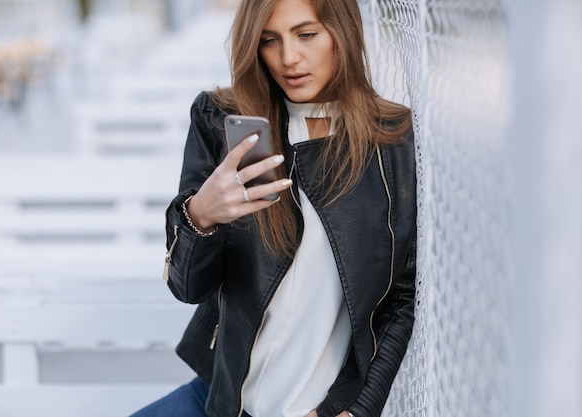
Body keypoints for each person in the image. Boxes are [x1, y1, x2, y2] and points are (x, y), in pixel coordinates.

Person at [130, 0, 416, 416]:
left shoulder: (391, 143)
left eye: (306, 34)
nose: (288, 58)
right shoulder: (222, 120)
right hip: (218, 399)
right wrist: (200, 217)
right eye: (269, 40)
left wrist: (358, 409)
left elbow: (401, 297)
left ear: (343, 33)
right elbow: (189, 288)